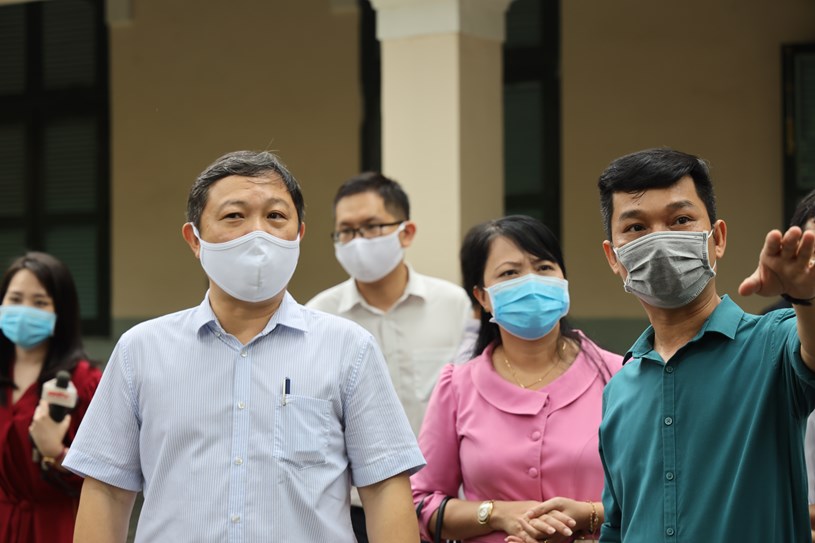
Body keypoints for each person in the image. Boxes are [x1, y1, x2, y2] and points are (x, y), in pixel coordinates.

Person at [62, 151, 425, 543]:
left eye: (276, 216)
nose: (258, 233)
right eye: (234, 216)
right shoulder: (141, 351)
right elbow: (107, 491)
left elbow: (384, 488)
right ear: (194, 239)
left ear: (299, 234)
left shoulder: (349, 349)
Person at [596, 148, 815, 541]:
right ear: (614, 257)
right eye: (636, 227)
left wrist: (806, 298)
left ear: (718, 238)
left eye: (680, 220)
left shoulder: (773, 345)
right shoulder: (619, 390)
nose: (660, 239)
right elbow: (618, 525)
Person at [410, 215, 622, 543]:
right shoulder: (458, 386)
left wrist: (589, 515)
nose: (531, 282)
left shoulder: (618, 375)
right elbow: (421, 503)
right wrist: (497, 514)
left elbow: (658, 494)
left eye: (544, 267)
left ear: (564, 279)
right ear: (482, 296)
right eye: (510, 273)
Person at [306, 172, 472, 542]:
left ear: (406, 232)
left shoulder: (453, 305)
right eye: (346, 231)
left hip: (438, 509)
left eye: (371, 226)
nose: (357, 241)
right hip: (352, 512)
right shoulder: (319, 315)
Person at [0, 251, 102, 543]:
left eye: (39, 302)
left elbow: (106, 479)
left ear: (61, 311)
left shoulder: (86, 383)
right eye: (15, 299)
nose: (24, 311)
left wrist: (56, 452)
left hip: (55, 528)